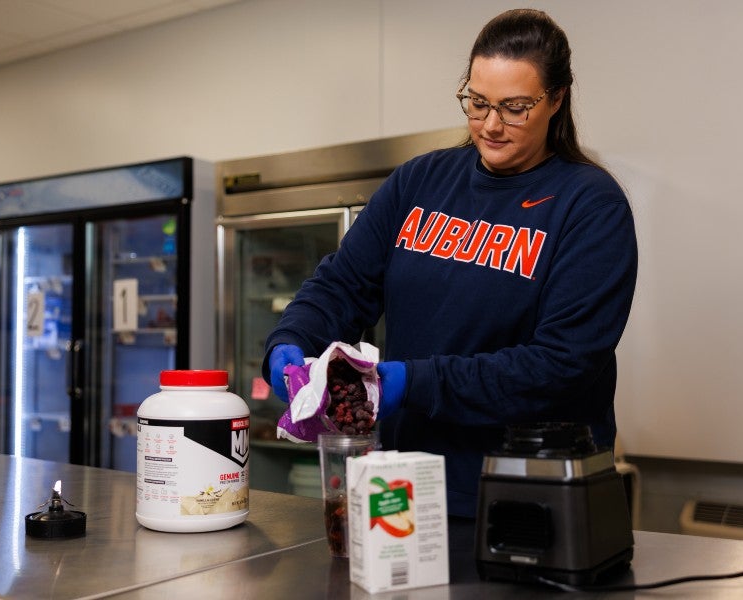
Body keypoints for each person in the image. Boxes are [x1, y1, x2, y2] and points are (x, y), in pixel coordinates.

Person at [262, 8, 637, 518]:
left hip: (527, 496)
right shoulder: (419, 182)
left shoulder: (590, 205)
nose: (490, 125)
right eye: (477, 102)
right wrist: (290, 339)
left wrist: (411, 383)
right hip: (407, 486)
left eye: (515, 108)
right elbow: (343, 284)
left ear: (556, 100)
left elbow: (562, 365)